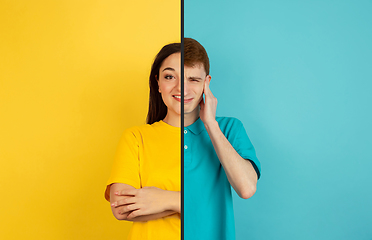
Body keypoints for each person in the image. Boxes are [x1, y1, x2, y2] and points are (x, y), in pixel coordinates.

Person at [183, 38, 261, 240]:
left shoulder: (230, 128)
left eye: (193, 80)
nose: (183, 89)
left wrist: (210, 124)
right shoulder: (145, 136)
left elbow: (246, 188)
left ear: (206, 83)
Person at [104, 42, 182, 240]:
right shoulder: (136, 137)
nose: (180, 86)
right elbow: (121, 207)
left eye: (190, 78)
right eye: (170, 76)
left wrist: (165, 199)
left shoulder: (219, 137)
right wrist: (190, 203)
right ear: (157, 83)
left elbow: (217, 207)